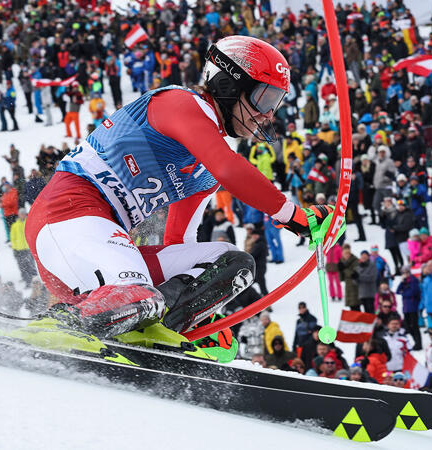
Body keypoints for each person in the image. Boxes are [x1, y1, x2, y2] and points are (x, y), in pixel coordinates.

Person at [24, 36, 335, 339]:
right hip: (65, 219)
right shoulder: (179, 103)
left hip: (101, 249)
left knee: (233, 262)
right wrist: (291, 214)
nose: (268, 113)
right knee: (139, 296)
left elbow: (179, 243)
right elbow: (228, 167)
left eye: (276, 103)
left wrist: (199, 309)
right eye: (263, 98)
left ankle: (162, 330)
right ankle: (57, 330)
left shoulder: (205, 173)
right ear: (230, 85)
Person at [396, 265, 422, 350]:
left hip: (413, 306)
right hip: (406, 307)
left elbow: (414, 292)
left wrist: (405, 292)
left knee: (414, 325)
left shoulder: (413, 280)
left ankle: (418, 343)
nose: (405, 274)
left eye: (406, 272)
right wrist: (402, 282)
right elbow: (398, 291)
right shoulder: (405, 282)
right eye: (403, 272)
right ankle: (415, 341)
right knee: (408, 326)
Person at [337, 245, 361, 311]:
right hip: (348, 286)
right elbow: (341, 278)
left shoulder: (355, 260)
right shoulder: (342, 262)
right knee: (352, 308)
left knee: (356, 307)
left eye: (348, 253)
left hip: (355, 286)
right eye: (345, 253)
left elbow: (354, 274)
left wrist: (344, 269)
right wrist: (340, 270)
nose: (347, 255)